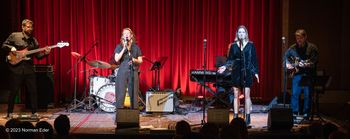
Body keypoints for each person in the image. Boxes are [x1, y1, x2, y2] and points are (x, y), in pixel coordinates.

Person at [2, 19, 51, 118]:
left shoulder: (34, 41)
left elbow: (38, 56)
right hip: (16, 68)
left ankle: (34, 112)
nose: (30, 29)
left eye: (31, 27)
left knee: (33, 91)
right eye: (28, 27)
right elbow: (4, 45)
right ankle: (9, 113)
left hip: (29, 69)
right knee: (14, 91)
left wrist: (45, 53)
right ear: (23, 27)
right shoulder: (15, 36)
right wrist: (11, 48)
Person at [218, 25, 259, 126]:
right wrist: (225, 67)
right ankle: (236, 116)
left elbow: (254, 60)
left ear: (246, 34)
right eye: (239, 32)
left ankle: (248, 117)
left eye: (243, 32)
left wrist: (256, 72)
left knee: (247, 95)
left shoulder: (251, 45)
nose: (241, 34)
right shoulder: (233, 45)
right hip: (236, 72)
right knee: (236, 95)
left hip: (247, 72)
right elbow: (230, 59)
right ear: (237, 34)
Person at [285, 29, 318, 119]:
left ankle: (306, 113)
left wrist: (306, 64)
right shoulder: (292, 48)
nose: (299, 40)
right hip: (297, 74)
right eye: (297, 38)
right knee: (295, 94)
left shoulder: (312, 48)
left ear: (305, 37)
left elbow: (314, 61)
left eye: (301, 38)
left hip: (308, 74)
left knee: (308, 94)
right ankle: (294, 113)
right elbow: (286, 58)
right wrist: (288, 64)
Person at [114, 28, 143, 109]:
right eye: (124, 33)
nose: (126, 34)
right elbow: (116, 59)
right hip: (122, 72)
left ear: (131, 35)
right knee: (120, 92)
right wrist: (124, 48)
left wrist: (134, 60)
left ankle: (133, 112)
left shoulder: (136, 47)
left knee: (134, 92)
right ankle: (120, 111)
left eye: (128, 33)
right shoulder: (119, 46)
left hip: (133, 71)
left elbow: (140, 60)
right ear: (122, 36)